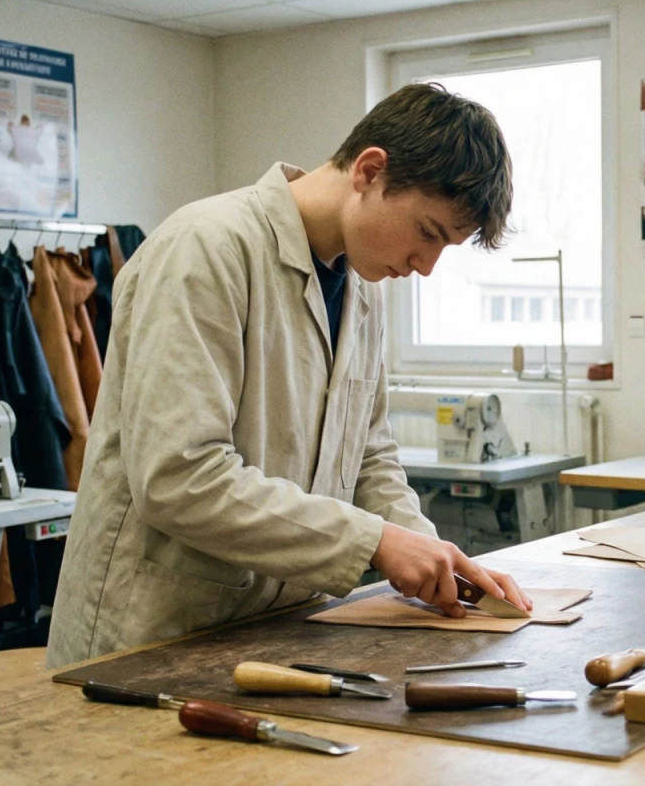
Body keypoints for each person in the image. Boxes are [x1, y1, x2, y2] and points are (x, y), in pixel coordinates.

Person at [47, 83, 531, 667]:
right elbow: (179, 476)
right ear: (370, 171)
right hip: (152, 636)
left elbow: (369, 456)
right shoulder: (205, 250)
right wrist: (375, 542)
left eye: (446, 247)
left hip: (280, 631)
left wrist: (430, 553)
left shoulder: (364, 288)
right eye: (428, 233)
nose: (425, 267)